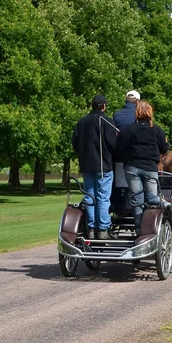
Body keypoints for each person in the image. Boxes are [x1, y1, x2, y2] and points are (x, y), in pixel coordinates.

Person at [115, 100, 172, 235]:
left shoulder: (128, 130)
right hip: (150, 168)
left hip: (132, 168)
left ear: (136, 113)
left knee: (137, 200)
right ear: (150, 113)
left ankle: (139, 231)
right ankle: (166, 205)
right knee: (152, 197)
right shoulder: (157, 130)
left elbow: (119, 149)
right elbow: (164, 148)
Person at [72, 94, 118, 239]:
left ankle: (91, 228)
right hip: (103, 166)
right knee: (103, 197)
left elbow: (75, 142)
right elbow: (113, 144)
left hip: (86, 166)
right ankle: (103, 229)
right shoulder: (107, 122)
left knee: (89, 196)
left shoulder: (81, 122)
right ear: (104, 106)